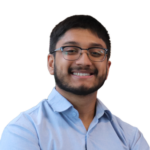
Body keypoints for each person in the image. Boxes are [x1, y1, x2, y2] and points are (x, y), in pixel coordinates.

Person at [0, 14, 149, 150]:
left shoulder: (131, 137)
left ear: (108, 68)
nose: (84, 61)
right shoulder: (23, 130)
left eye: (96, 52)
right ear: (51, 64)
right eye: (70, 50)